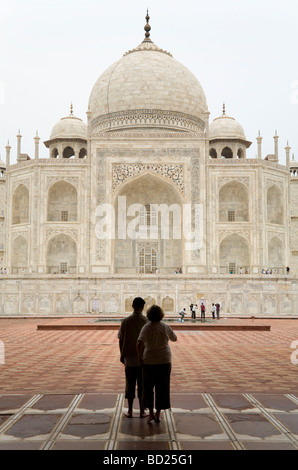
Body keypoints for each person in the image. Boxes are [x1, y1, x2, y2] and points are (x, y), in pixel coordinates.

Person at [137, 305, 177, 424]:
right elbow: (174, 338)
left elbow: (139, 343)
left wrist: (139, 358)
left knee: (148, 388)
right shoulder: (165, 326)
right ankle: (158, 414)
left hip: (149, 360)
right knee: (162, 387)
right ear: (161, 314)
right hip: (164, 360)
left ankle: (150, 414)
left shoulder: (147, 327)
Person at [118, 297, 148, 418]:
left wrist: (122, 354)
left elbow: (121, 339)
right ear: (142, 307)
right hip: (143, 358)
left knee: (130, 384)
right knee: (142, 385)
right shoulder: (146, 321)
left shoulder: (126, 321)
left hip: (129, 358)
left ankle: (130, 410)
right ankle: (141, 411)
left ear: (132, 306)